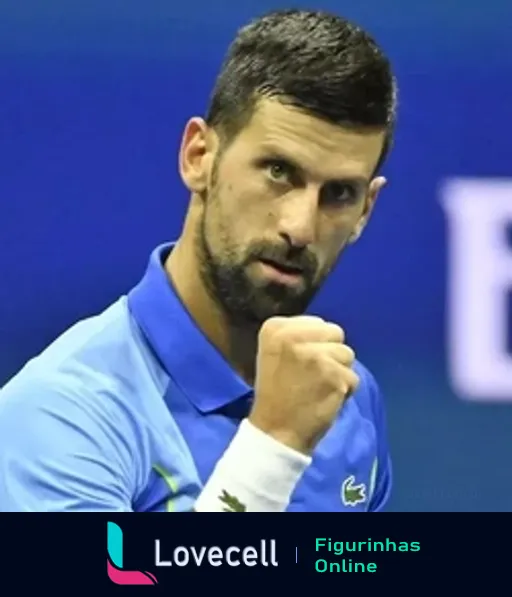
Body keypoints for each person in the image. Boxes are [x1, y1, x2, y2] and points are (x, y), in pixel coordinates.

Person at [0, 8, 397, 512]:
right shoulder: (59, 416)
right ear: (198, 157)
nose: (300, 226)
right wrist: (273, 446)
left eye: (338, 193)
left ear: (366, 210)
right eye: (278, 171)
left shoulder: (350, 403)